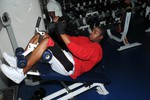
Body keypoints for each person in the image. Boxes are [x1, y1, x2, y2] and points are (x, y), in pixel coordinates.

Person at [0, 21, 104, 84]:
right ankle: (20, 60)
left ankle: (20, 73)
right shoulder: (85, 39)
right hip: (67, 59)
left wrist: (61, 33)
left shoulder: (97, 49)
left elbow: (80, 53)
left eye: (95, 32)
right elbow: (69, 39)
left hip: (71, 67)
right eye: (92, 30)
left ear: (101, 37)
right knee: (41, 34)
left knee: (47, 41)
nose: (91, 32)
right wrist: (58, 28)